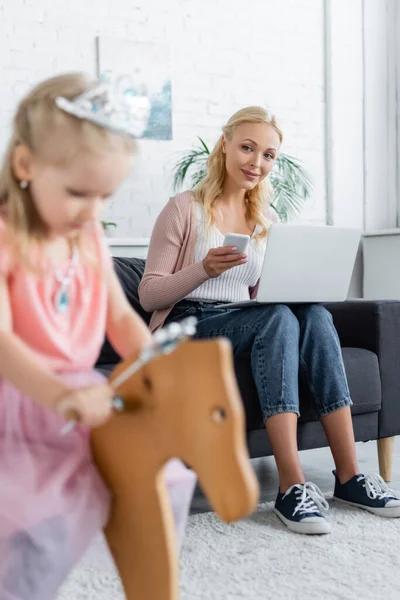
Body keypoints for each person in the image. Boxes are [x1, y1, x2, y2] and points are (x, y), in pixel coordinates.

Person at [139, 106, 400, 535]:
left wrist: (290, 288)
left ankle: (350, 477)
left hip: (243, 320)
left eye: (268, 155)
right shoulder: (183, 208)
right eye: (247, 148)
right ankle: (291, 485)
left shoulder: (266, 220)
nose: (256, 163)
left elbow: (263, 296)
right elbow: (149, 293)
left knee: (312, 314)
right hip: (184, 326)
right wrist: (203, 268)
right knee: (277, 319)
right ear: (224, 146)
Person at [0, 73, 194, 599]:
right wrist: (61, 394)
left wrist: (150, 356)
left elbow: (121, 317)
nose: (93, 211)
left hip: (84, 391)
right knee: (36, 521)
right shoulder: (7, 239)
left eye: (105, 196)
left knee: (167, 476)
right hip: (21, 395)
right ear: (25, 167)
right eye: (78, 193)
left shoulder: (86, 237)